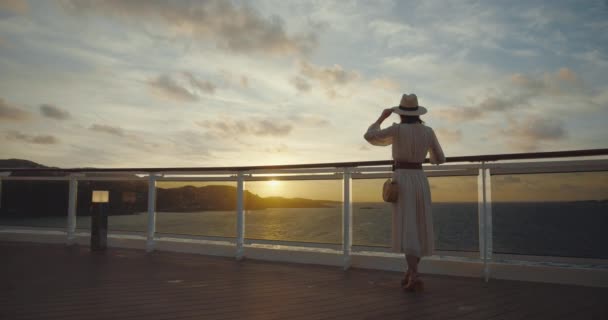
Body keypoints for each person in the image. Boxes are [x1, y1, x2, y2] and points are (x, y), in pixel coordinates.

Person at [364, 93, 445, 292]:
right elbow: (440, 158)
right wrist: (426, 156)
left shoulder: (397, 130)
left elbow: (370, 137)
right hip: (420, 179)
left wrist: (381, 118)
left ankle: (415, 275)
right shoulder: (428, 131)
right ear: (417, 112)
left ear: (400, 113)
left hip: (402, 179)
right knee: (418, 223)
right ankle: (410, 273)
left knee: (408, 225)